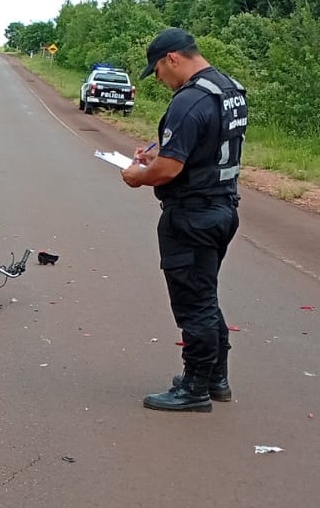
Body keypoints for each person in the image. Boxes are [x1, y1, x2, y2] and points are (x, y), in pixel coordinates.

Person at [121, 28, 248, 413]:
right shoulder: (228, 89)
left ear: (172, 58)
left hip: (192, 215)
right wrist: (156, 150)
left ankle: (194, 388)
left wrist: (137, 175)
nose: (159, 78)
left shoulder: (189, 100)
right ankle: (216, 379)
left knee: (194, 304)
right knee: (205, 295)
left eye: (158, 70)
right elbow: (200, 141)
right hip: (223, 207)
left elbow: (168, 170)